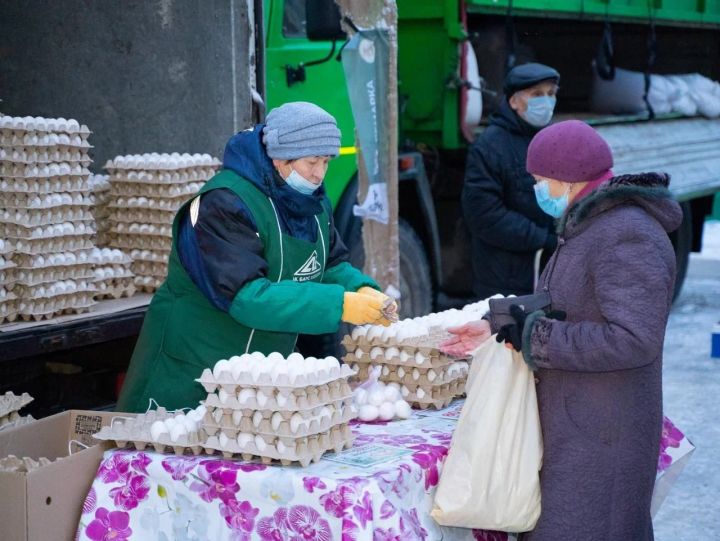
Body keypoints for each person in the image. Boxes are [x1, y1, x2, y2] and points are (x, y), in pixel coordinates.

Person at [443, 120, 682, 540]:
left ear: (565, 179)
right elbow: (565, 301)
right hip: (582, 426)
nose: (538, 190)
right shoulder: (590, 224)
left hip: (605, 435)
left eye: (539, 181)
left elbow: (634, 339)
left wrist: (534, 338)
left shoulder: (627, 234)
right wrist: (498, 323)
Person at [118, 102, 396, 412]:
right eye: (312, 162)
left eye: (327, 162)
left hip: (255, 383)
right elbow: (247, 296)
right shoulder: (224, 204)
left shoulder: (310, 201)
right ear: (279, 158)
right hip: (192, 371)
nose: (320, 174)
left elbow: (328, 263)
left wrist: (359, 287)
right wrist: (339, 304)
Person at [463, 62, 560, 299]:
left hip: (548, 272)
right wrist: (543, 238)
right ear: (513, 101)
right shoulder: (490, 146)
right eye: (537, 94)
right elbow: (486, 215)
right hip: (503, 280)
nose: (546, 102)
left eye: (550, 94)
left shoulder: (555, 140)